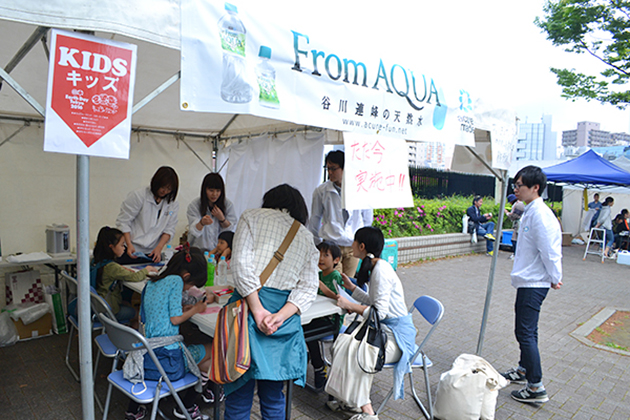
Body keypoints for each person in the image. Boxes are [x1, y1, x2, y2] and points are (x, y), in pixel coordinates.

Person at [224, 184, 319, 420]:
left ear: (269, 200)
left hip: (247, 310)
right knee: (274, 396)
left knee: (238, 393)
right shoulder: (306, 237)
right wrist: (279, 316)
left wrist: (257, 311)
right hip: (282, 320)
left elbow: (241, 265)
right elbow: (308, 287)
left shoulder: (251, 217)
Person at [334, 226, 417, 420]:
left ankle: (368, 412)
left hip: (397, 339)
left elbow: (379, 313)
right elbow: (373, 302)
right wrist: (352, 289)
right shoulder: (377, 267)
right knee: (346, 346)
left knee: (359, 354)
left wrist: (350, 305)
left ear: (361, 246)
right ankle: (352, 401)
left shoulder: (380, 271)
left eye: (354, 241)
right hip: (386, 331)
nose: (351, 245)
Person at [128, 246, 215, 420]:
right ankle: (188, 405)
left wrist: (185, 309)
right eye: (189, 286)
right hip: (167, 359)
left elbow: (160, 312)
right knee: (214, 350)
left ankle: (134, 409)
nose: (186, 289)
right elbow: (175, 320)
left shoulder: (152, 282)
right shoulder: (176, 281)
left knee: (205, 361)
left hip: (145, 354)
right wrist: (196, 308)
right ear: (186, 276)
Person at [501, 165, 562, 404]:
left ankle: (536, 386)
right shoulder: (530, 210)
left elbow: (550, 251)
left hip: (535, 282)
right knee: (527, 331)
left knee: (525, 332)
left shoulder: (540, 215)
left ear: (535, 187)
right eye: (515, 185)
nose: (516, 189)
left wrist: (556, 277)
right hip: (529, 280)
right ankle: (524, 370)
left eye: (520, 186)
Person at [309, 150, 373, 277]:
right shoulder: (321, 191)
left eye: (333, 168)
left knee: (348, 283)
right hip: (331, 245)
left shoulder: (360, 189)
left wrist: (361, 242)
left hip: (352, 246)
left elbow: (367, 219)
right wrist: (318, 245)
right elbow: (315, 219)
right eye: (328, 169)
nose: (330, 173)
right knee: (334, 283)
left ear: (345, 169)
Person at [92, 226, 158, 327]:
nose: (124, 248)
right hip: (110, 310)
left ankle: (129, 335)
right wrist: (147, 269)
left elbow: (115, 270)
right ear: (111, 247)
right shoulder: (112, 267)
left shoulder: (98, 261)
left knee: (128, 305)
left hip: (99, 305)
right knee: (139, 314)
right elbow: (135, 277)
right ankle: (133, 337)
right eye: (122, 245)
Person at [116, 166, 179, 263]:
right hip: (131, 248)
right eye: (163, 187)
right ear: (156, 182)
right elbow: (124, 221)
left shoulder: (172, 203)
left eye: (169, 189)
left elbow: (169, 229)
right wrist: (129, 244)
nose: (165, 191)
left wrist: (159, 247)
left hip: (152, 252)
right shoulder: (139, 195)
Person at [305, 240, 344, 391]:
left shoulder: (335, 276)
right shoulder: (319, 274)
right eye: (319, 254)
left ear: (336, 260)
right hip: (317, 315)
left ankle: (318, 367)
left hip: (331, 320)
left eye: (326, 255)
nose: (321, 258)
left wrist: (319, 284)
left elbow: (338, 297)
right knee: (303, 327)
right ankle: (314, 362)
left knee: (306, 331)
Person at [187, 173, 237, 253]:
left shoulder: (227, 204)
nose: (214, 194)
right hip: (198, 250)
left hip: (219, 252)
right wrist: (202, 223)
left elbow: (229, 229)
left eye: (218, 191)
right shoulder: (195, 205)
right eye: (211, 190)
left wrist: (222, 219)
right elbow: (193, 231)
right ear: (204, 190)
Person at [504, 194, 525, 260]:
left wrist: (507, 213)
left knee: (515, 240)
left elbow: (514, 216)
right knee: (515, 239)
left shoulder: (519, 205)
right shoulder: (519, 204)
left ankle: (516, 255)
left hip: (519, 224)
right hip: (519, 224)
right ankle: (516, 254)